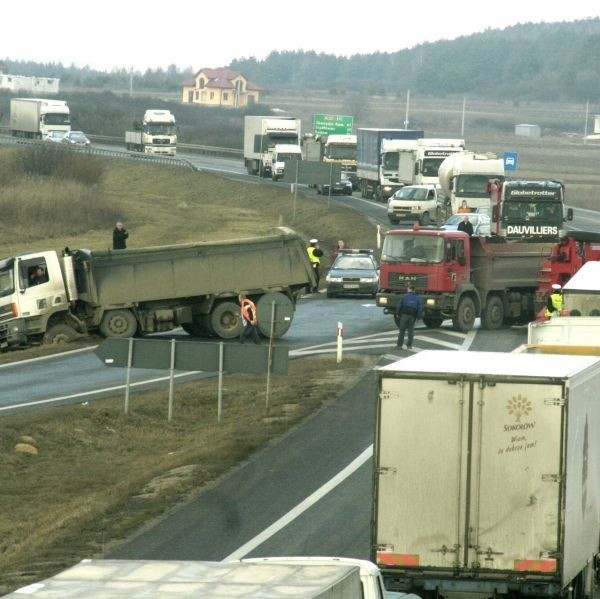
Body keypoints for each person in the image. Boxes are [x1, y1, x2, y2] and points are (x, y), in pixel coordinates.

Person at [395, 284, 423, 349]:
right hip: (412, 316)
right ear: (414, 290)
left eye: (407, 289)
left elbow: (399, 305)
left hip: (404, 315)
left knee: (402, 330)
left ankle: (399, 345)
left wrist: (397, 313)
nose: (407, 290)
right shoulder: (417, 297)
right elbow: (420, 308)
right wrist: (419, 317)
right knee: (411, 330)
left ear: (409, 289)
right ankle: (409, 345)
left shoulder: (404, 296)